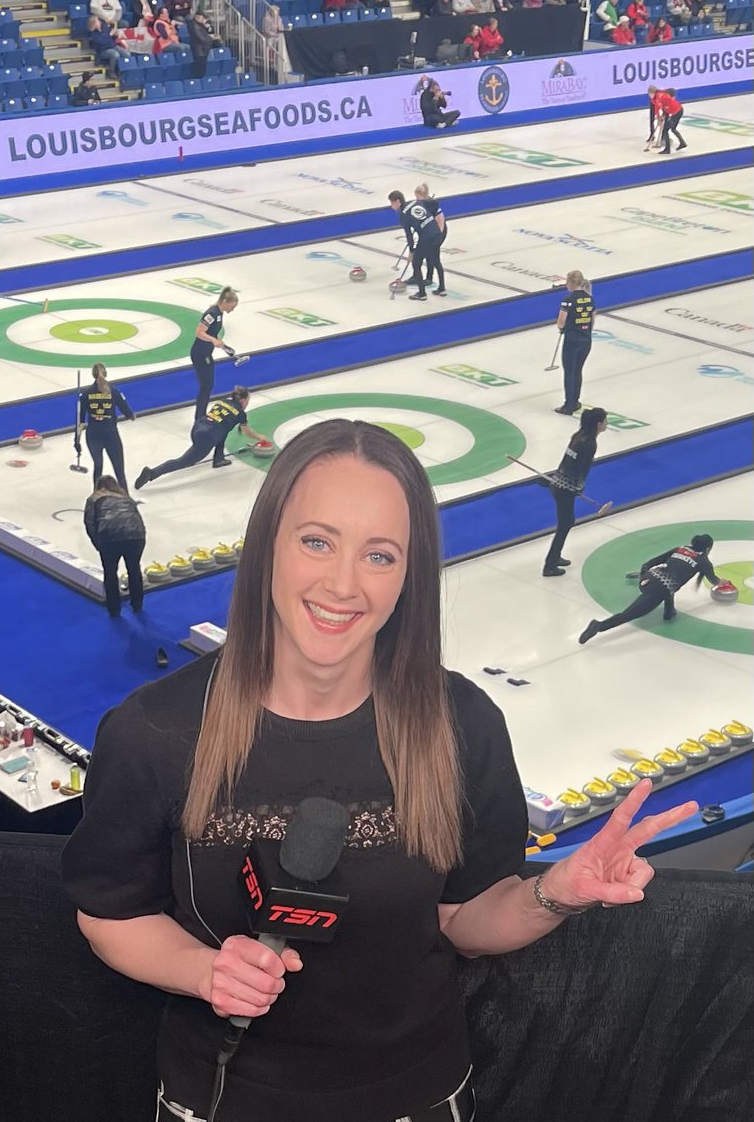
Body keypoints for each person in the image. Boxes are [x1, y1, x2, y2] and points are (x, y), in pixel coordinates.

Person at [65, 418, 696, 1122]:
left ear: (409, 575)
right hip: (220, 1096)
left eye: (379, 556)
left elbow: (462, 920)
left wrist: (556, 894)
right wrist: (203, 971)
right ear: (268, 544)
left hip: (417, 1095)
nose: (342, 584)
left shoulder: (461, 725)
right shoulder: (158, 732)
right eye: (316, 541)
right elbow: (111, 912)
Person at [580, 535, 722, 645]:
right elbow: (713, 580)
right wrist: (724, 583)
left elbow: (650, 563)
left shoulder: (680, 549)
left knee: (669, 583)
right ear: (708, 548)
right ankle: (599, 626)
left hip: (647, 579)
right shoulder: (703, 562)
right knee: (628, 614)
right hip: (657, 589)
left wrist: (643, 575)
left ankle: (669, 611)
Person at [135, 388, 268, 488]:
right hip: (208, 436)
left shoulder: (222, 401)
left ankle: (218, 459)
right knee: (183, 461)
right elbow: (246, 431)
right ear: (243, 400)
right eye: (248, 401)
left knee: (223, 428)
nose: (247, 403)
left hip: (198, 427)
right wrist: (259, 437)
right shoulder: (240, 413)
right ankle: (151, 473)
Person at [541, 408, 607, 578]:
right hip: (565, 488)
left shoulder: (578, 436)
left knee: (567, 522)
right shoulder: (589, 444)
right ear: (599, 424)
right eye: (605, 421)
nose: (607, 423)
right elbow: (582, 470)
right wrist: (578, 488)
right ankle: (550, 565)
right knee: (565, 524)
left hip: (558, 483)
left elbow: (567, 461)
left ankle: (555, 557)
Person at [85, 476, 147, 617]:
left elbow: (90, 524)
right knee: (134, 569)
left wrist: (98, 544)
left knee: (111, 573)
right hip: (136, 536)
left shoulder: (94, 498)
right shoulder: (126, 498)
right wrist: (141, 539)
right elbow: (138, 520)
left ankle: (114, 609)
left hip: (109, 537)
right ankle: (137, 605)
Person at [79, 362, 135, 489]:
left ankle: (96, 498)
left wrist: (76, 440)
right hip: (110, 435)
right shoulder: (114, 392)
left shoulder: (85, 394)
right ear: (106, 373)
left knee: (98, 467)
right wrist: (131, 416)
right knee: (119, 470)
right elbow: (127, 411)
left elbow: (81, 420)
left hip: (93, 435)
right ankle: (126, 499)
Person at [190, 287, 239, 423]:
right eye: (232, 306)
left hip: (206, 351)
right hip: (200, 353)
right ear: (225, 301)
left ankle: (201, 415)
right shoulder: (211, 313)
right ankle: (199, 417)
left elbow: (212, 333)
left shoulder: (219, 314)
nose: (232, 310)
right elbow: (199, 332)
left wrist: (223, 345)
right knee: (207, 385)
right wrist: (213, 340)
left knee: (207, 385)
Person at [389, 188, 447, 299]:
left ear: (397, 201)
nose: (391, 206)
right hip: (436, 233)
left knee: (416, 263)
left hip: (426, 238)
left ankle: (422, 294)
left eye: (392, 203)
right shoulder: (416, 202)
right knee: (436, 261)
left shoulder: (403, 215)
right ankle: (442, 289)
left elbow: (409, 236)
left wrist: (411, 252)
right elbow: (434, 203)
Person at [554, 270, 594, 416]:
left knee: (569, 372)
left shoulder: (568, 299)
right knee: (578, 371)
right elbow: (592, 321)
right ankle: (575, 401)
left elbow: (560, 322)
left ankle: (569, 405)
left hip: (572, 340)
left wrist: (563, 328)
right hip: (586, 340)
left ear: (571, 282)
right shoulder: (590, 299)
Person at [189, 11, 220, 79]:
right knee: (199, 70)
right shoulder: (195, 26)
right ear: (198, 17)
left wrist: (207, 27)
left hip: (204, 50)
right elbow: (202, 39)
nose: (203, 20)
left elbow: (209, 33)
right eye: (202, 18)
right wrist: (211, 37)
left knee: (202, 69)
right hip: (199, 51)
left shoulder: (201, 25)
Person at [656, 87, 687, 155]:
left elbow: (666, 108)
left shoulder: (665, 99)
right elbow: (665, 109)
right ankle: (682, 143)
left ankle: (667, 149)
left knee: (666, 129)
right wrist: (662, 116)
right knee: (672, 129)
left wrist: (661, 117)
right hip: (678, 111)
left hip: (677, 112)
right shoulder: (663, 99)